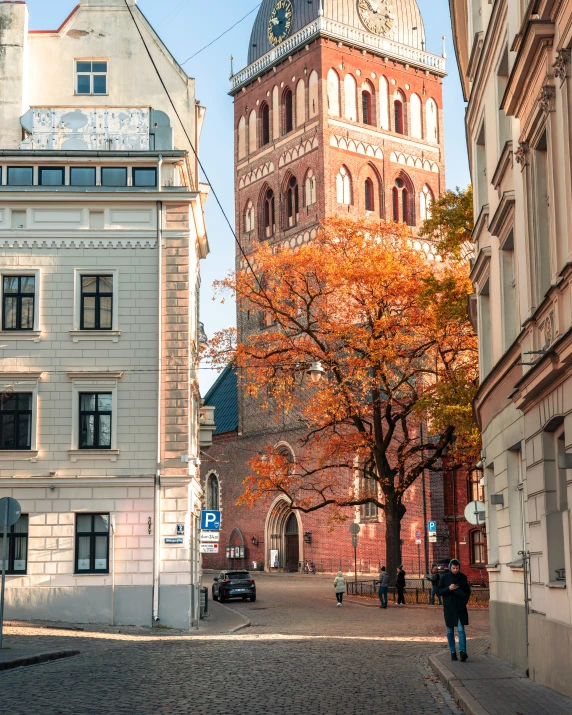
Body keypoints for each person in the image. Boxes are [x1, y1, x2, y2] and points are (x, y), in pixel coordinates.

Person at [438, 558, 471, 662]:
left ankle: (462, 652)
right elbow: (439, 591)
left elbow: (467, 592)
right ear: (450, 567)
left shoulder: (462, 577)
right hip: (449, 608)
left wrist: (463, 601)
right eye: (453, 568)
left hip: (460, 607)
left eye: (457, 568)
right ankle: (453, 652)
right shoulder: (445, 578)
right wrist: (449, 588)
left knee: (461, 630)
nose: (455, 570)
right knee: (450, 630)